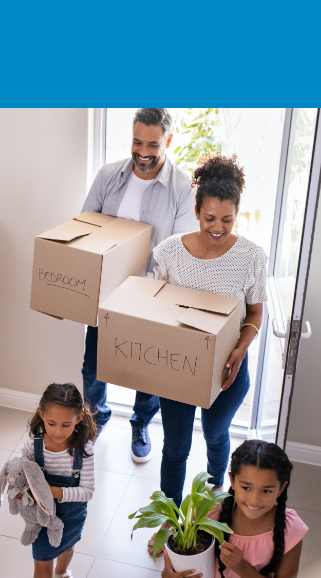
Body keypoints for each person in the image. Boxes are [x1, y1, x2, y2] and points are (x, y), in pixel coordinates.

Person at [78, 108, 198, 464]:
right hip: (105, 294)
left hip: (151, 297)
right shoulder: (108, 176)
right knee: (93, 366)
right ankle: (94, 419)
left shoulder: (182, 188)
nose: (142, 151)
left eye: (152, 144)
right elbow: (84, 227)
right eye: (136, 141)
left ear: (168, 141)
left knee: (147, 372)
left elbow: (177, 254)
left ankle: (140, 423)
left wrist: (143, 288)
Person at [151, 153, 267, 501]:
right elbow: (157, 306)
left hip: (228, 368)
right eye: (210, 218)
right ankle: (169, 517)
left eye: (228, 220)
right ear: (197, 211)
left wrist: (239, 349)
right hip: (179, 366)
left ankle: (216, 489)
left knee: (215, 434)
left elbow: (255, 314)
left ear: (237, 215)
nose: (218, 228)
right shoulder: (169, 252)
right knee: (175, 446)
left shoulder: (251, 257)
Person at [162, 440, 306, 578]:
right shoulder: (208, 512)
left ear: (281, 488)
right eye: (246, 487)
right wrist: (169, 577)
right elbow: (179, 556)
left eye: (266, 491)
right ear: (232, 480)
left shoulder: (291, 531)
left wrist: (242, 568)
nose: (254, 500)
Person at [21, 383, 97, 578]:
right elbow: (22, 478)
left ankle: (63, 572)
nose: (57, 431)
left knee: (68, 546)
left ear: (79, 418)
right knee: (41, 575)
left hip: (73, 514)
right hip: (43, 519)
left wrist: (55, 492)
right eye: (51, 423)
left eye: (66, 424)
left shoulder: (84, 451)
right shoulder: (33, 447)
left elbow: (87, 491)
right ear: (41, 415)